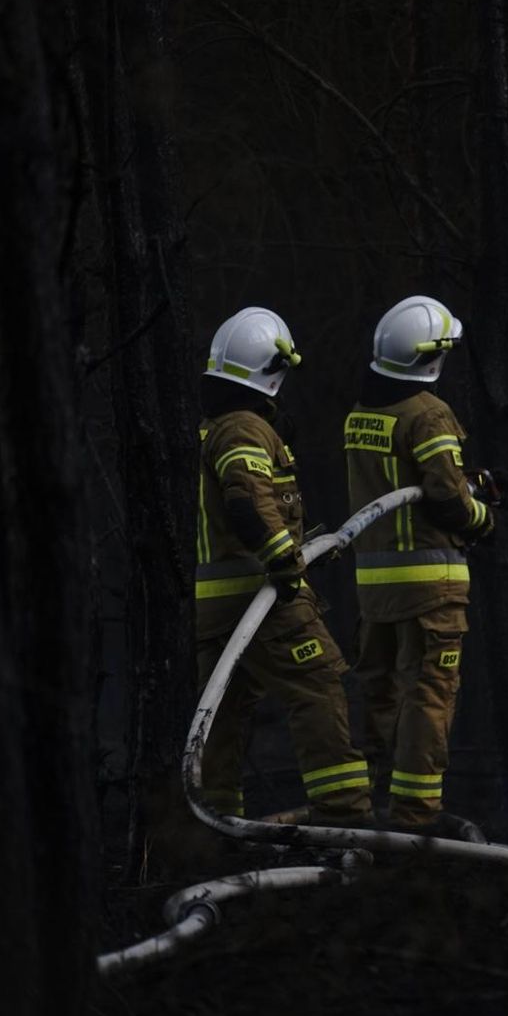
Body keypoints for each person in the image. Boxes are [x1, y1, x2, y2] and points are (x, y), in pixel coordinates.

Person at [343, 294, 508, 834]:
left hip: (375, 591)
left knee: (379, 695)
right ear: (432, 355)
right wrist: (485, 524)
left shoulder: (362, 413)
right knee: (429, 697)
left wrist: (479, 484)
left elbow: (411, 485)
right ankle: (415, 818)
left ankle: (356, 811)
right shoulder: (429, 412)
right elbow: (444, 500)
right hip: (431, 588)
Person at [194, 306, 373, 828]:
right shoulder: (245, 428)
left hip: (216, 606)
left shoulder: (216, 427)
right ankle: (342, 815)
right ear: (274, 371)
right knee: (318, 685)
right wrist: (284, 559)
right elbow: (246, 500)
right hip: (262, 595)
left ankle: (216, 825)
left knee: (224, 718)